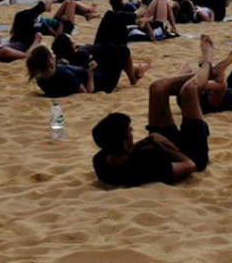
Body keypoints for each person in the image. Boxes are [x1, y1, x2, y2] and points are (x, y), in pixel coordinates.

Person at [91, 36, 216, 187]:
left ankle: (208, 73)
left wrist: (146, 142)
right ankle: (207, 63)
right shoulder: (143, 170)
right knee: (188, 91)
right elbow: (190, 165)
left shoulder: (102, 159)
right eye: (130, 131)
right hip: (189, 154)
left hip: (160, 144)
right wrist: (169, 148)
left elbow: (123, 153)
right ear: (124, 144)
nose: (133, 133)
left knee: (157, 88)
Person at [26, 43, 148, 97]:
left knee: (107, 49)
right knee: (123, 51)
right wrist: (90, 73)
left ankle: (136, 69)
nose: (53, 56)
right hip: (103, 82)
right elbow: (87, 94)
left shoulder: (40, 79)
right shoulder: (65, 75)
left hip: (86, 72)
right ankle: (133, 79)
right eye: (50, 55)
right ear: (49, 61)